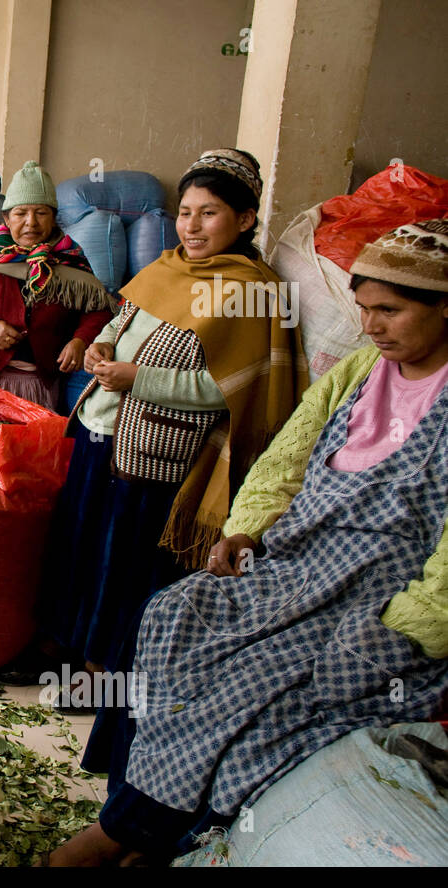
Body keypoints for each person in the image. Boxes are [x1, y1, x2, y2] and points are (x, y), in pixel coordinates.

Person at [51, 219, 448, 866]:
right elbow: (287, 457)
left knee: (256, 684)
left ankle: (130, 835)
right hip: (298, 557)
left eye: (391, 311)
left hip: (375, 592)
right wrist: (245, 527)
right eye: (366, 309)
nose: (372, 325)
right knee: (173, 616)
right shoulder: (360, 370)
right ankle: (134, 807)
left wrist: (398, 633)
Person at [34, 148, 309, 786]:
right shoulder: (165, 269)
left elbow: (227, 391)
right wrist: (104, 345)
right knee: (84, 552)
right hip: (102, 434)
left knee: (126, 569)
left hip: (158, 459)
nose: (191, 226)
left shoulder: (250, 292)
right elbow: (125, 319)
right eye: (185, 212)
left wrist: (138, 378)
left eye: (208, 214)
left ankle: (107, 679)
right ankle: (78, 660)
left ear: (243, 219)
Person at [0, 160, 114, 408]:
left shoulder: (69, 259)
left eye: (41, 213)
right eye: (21, 213)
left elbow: (99, 308)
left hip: (42, 387)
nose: (31, 222)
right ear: (7, 218)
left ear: (54, 218)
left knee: (35, 445)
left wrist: (80, 339)